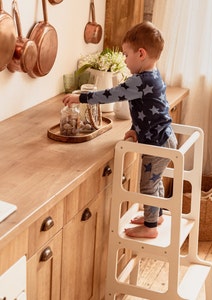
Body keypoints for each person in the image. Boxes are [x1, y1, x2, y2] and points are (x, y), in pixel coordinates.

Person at [62, 21, 177, 238]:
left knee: (148, 183)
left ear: (140, 54)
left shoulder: (140, 81)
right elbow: (148, 111)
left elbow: (111, 94)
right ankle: (157, 214)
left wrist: (81, 98)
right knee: (155, 180)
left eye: (126, 54)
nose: (124, 60)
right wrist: (135, 129)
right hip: (163, 137)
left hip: (158, 142)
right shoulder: (152, 76)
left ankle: (150, 227)